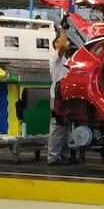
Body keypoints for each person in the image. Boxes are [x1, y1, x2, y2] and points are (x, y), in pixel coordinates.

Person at [47, 30, 71, 166]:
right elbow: (62, 45)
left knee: (65, 127)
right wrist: (64, 29)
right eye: (60, 41)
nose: (65, 42)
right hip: (57, 97)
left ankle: (63, 155)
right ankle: (53, 157)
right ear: (55, 44)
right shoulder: (55, 57)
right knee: (58, 127)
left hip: (65, 97)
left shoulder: (65, 60)